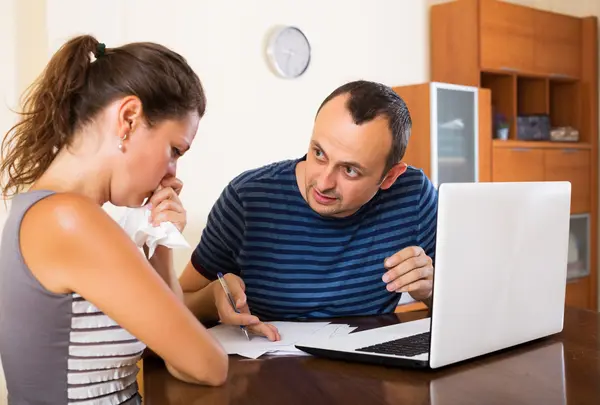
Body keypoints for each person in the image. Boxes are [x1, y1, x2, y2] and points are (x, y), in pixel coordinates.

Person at [0, 35, 228, 405]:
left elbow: (174, 356)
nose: (172, 173)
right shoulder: (69, 221)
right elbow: (209, 366)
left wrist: (160, 241)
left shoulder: (54, 212)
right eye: (174, 150)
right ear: (128, 118)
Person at [179, 80, 437, 341]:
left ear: (390, 177)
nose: (323, 183)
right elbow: (177, 304)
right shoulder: (247, 199)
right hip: (267, 370)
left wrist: (430, 288)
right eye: (319, 153)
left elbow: (467, 306)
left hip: (370, 373)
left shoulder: (412, 197)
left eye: (350, 170)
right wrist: (213, 299)